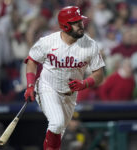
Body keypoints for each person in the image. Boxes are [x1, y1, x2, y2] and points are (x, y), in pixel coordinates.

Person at [24, 6, 105, 150]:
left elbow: (99, 74)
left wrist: (85, 83)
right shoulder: (47, 41)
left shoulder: (90, 45)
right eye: (76, 22)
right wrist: (30, 85)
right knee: (57, 123)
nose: (81, 25)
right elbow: (32, 61)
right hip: (47, 87)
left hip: (70, 95)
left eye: (80, 21)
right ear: (65, 25)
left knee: (58, 131)